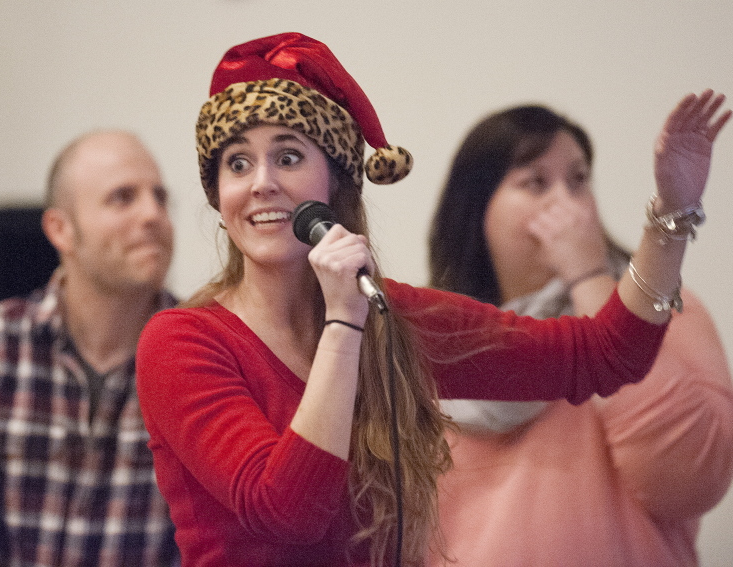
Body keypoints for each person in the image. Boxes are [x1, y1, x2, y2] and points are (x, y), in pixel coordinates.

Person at [133, 32, 730, 567]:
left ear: (336, 182)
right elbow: (286, 508)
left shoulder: (393, 315)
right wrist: (344, 322)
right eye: (237, 164)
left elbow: (603, 354)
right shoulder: (182, 341)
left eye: (288, 156)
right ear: (219, 195)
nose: (261, 181)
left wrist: (672, 215)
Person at [427, 104, 733, 566]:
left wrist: (589, 278)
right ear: (478, 211)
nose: (566, 204)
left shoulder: (664, 309)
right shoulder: (435, 342)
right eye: (535, 182)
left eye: (578, 179)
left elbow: (688, 480)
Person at [0, 130, 179, 566]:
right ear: (61, 230)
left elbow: (214, 544)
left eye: (160, 197)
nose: (153, 214)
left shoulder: (203, 354)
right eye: (122, 198)